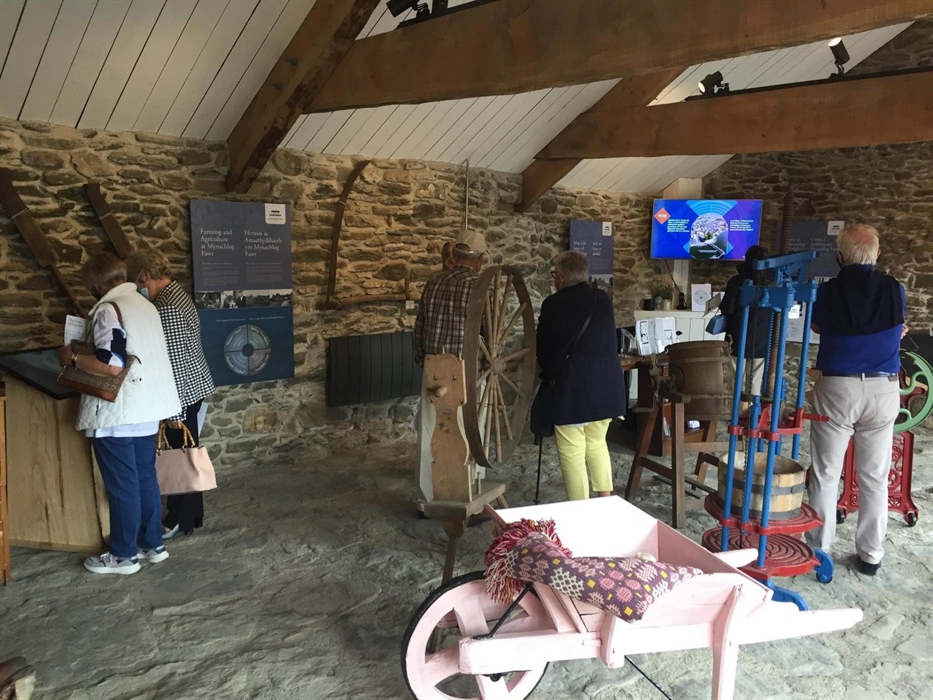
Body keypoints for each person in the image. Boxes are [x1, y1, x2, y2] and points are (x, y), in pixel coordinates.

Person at [57, 252, 181, 574]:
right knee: (144, 477)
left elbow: (111, 365)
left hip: (118, 412)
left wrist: (71, 358)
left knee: (123, 484)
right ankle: (152, 544)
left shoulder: (108, 310)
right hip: (147, 408)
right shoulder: (146, 306)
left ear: (97, 286)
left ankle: (124, 555)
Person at [806, 224, 907, 577]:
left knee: (825, 473)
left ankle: (820, 551)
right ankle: (870, 555)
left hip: (838, 388)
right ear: (877, 254)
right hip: (883, 390)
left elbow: (817, 328)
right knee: (875, 476)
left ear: (839, 257)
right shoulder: (896, 289)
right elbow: (897, 326)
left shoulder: (827, 292)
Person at [127, 249, 216, 539]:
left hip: (183, 393)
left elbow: (175, 362)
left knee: (180, 454)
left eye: (135, 279)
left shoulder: (167, 308)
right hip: (192, 388)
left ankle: (178, 517)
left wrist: (174, 414)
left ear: (145, 276)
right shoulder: (175, 294)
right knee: (185, 452)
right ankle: (192, 516)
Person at [536, 251, 627, 500]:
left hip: (572, 389)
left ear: (562, 278)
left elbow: (543, 350)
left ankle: (580, 507)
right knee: (597, 443)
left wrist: (547, 373)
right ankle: (605, 501)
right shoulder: (602, 300)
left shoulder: (553, 304)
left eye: (555, 274)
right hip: (607, 387)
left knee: (572, 449)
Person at [412, 230, 486, 505]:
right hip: (467, 369)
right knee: (468, 429)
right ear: (479, 259)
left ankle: (426, 497)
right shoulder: (481, 286)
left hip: (434, 365)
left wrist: (424, 360)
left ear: (454, 256)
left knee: (430, 429)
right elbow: (489, 332)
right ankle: (464, 490)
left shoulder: (434, 282)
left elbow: (419, 328)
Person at [720, 245, 773, 396]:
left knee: (735, 378)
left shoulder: (737, 282)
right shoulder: (770, 284)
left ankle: (734, 410)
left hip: (737, 337)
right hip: (762, 340)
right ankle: (751, 410)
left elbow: (727, 309)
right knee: (755, 380)